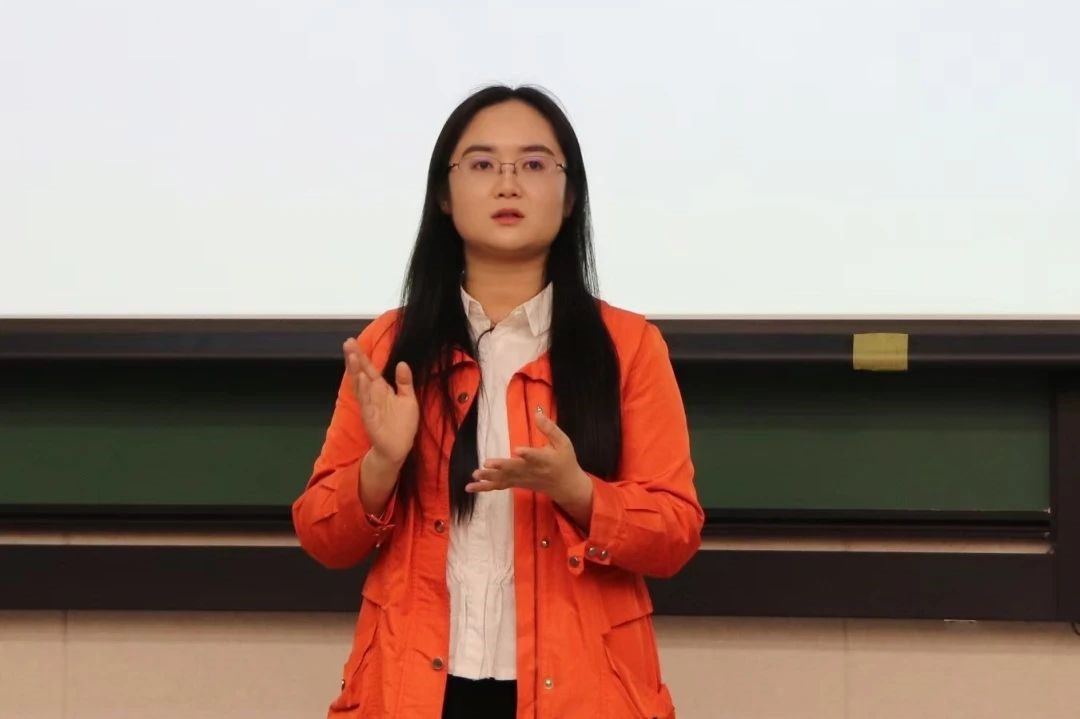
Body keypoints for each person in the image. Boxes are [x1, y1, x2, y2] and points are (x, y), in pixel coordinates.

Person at [292, 84, 704, 719]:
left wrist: (578, 492)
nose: (508, 184)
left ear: (570, 196)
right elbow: (324, 537)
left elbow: (675, 533)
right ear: (444, 193)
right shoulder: (391, 346)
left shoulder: (628, 346)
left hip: (581, 694)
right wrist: (382, 464)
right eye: (482, 164)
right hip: (415, 690)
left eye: (534, 164)